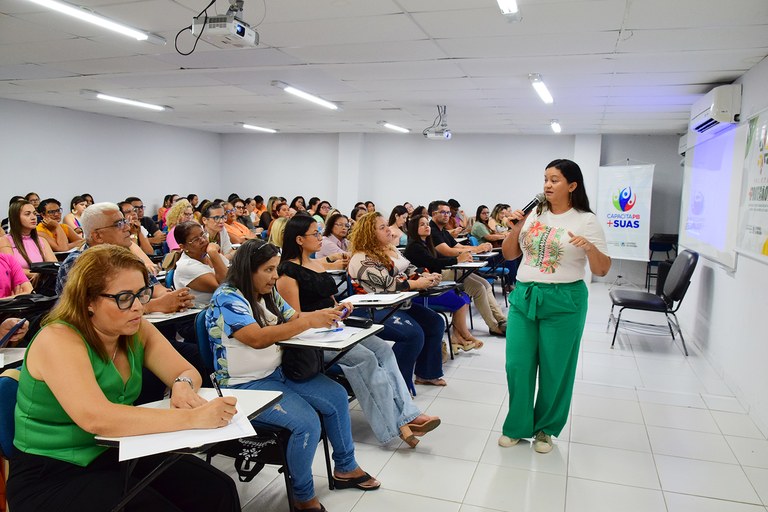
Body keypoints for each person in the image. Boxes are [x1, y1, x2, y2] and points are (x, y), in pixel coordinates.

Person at [7, 244, 240, 512]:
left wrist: (182, 386)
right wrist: (193, 417)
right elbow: (97, 419)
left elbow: (186, 371)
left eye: (142, 293)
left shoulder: (135, 329)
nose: (139, 307)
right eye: (125, 298)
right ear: (88, 301)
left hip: (117, 451)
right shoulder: (58, 339)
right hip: (53, 473)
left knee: (215, 489)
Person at [206, 240, 381, 511]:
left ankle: (345, 467)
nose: (275, 276)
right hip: (244, 385)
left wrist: (326, 314)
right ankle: (302, 495)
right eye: (268, 270)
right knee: (307, 423)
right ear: (247, 269)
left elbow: (294, 317)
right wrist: (307, 321)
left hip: (276, 372)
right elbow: (255, 338)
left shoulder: (267, 293)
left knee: (335, 395)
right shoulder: (227, 297)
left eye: (275, 269)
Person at [276, 216, 440, 447]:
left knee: (382, 350)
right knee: (365, 359)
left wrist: (339, 308)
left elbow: (328, 300)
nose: (320, 237)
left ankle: (408, 415)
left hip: (334, 326)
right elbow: (293, 318)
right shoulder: (287, 273)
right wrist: (322, 317)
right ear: (300, 239)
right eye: (315, 233)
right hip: (312, 336)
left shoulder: (316, 264)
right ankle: (397, 424)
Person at [499, 159, 611, 454]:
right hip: (525, 296)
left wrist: (590, 248)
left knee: (555, 368)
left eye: (555, 180)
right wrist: (517, 227)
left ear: (572, 186)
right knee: (517, 364)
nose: (547, 185)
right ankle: (517, 426)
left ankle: (545, 429)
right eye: (545, 179)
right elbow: (509, 255)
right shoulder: (534, 212)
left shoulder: (586, 220)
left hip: (565, 301)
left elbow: (601, 270)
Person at [347, 212, 446, 393]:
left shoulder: (388, 250)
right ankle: (397, 386)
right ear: (369, 233)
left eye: (387, 226)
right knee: (413, 334)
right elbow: (387, 285)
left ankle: (426, 373)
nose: (390, 231)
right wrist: (416, 283)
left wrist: (426, 276)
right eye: (382, 227)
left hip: (398, 303)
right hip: (371, 309)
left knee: (435, 322)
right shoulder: (361, 258)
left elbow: (409, 269)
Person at [403, 215, 483, 354]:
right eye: (422, 225)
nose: (427, 226)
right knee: (459, 300)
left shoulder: (427, 243)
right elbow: (433, 263)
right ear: (414, 229)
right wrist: (457, 259)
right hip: (421, 291)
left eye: (427, 224)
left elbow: (440, 259)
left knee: (464, 297)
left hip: (434, 283)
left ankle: (457, 337)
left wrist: (458, 258)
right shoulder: (414, 247)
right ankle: (465, 336)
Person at [429, 200, 508, 336]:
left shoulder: (443, 231)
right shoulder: (432, 231)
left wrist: (478, 249)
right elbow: (447, 251)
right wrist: (477, 249)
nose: (447, 215)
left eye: (448, 212)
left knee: (485, 284)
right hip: (439, 272)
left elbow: (458, 247)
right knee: (478, 288)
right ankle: (493, 326)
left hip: (452, 268)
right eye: (443, 212)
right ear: (433, 213)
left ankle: (501, 320)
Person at [5, 199, 57, 289]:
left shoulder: (42, 241)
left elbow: (54, 267)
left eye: (34, 213)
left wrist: (40, 275)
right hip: (19, 290)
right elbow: (9, 269)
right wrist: (36, 273)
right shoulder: (5, 241)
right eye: (27, 214)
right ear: (15, 218)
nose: (33, 217)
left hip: (43, 288)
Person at [174, 222, 228, 307]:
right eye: (196, 239)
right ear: (183, 247)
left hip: (223, 306)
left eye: (203, 235)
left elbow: (233, 274)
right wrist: (214, 253)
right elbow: (226, 287)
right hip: (205, 313)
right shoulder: (186, 266)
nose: (203, 240)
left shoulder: (207, 254)